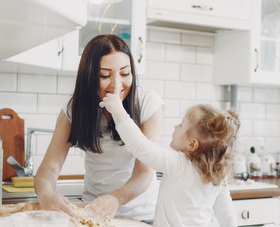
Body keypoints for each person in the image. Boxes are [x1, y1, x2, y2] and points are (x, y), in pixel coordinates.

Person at [34, 34, 163, 223]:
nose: (117, 84)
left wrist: (115, 199)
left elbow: (144, 171)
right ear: (89, 77)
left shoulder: (147, 103)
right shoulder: (74, 109)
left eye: (125, 73)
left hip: (143, 217)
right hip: (94, 216)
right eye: (105, 75)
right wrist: (45, 195)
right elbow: (50, 169)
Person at [99, 84, 240, 226]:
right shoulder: (218, 177)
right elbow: (227, 216)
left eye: (181, 125)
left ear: (192, 145)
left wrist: (117, 110)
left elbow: (140, 146)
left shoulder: (178, 164)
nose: (175, 127)